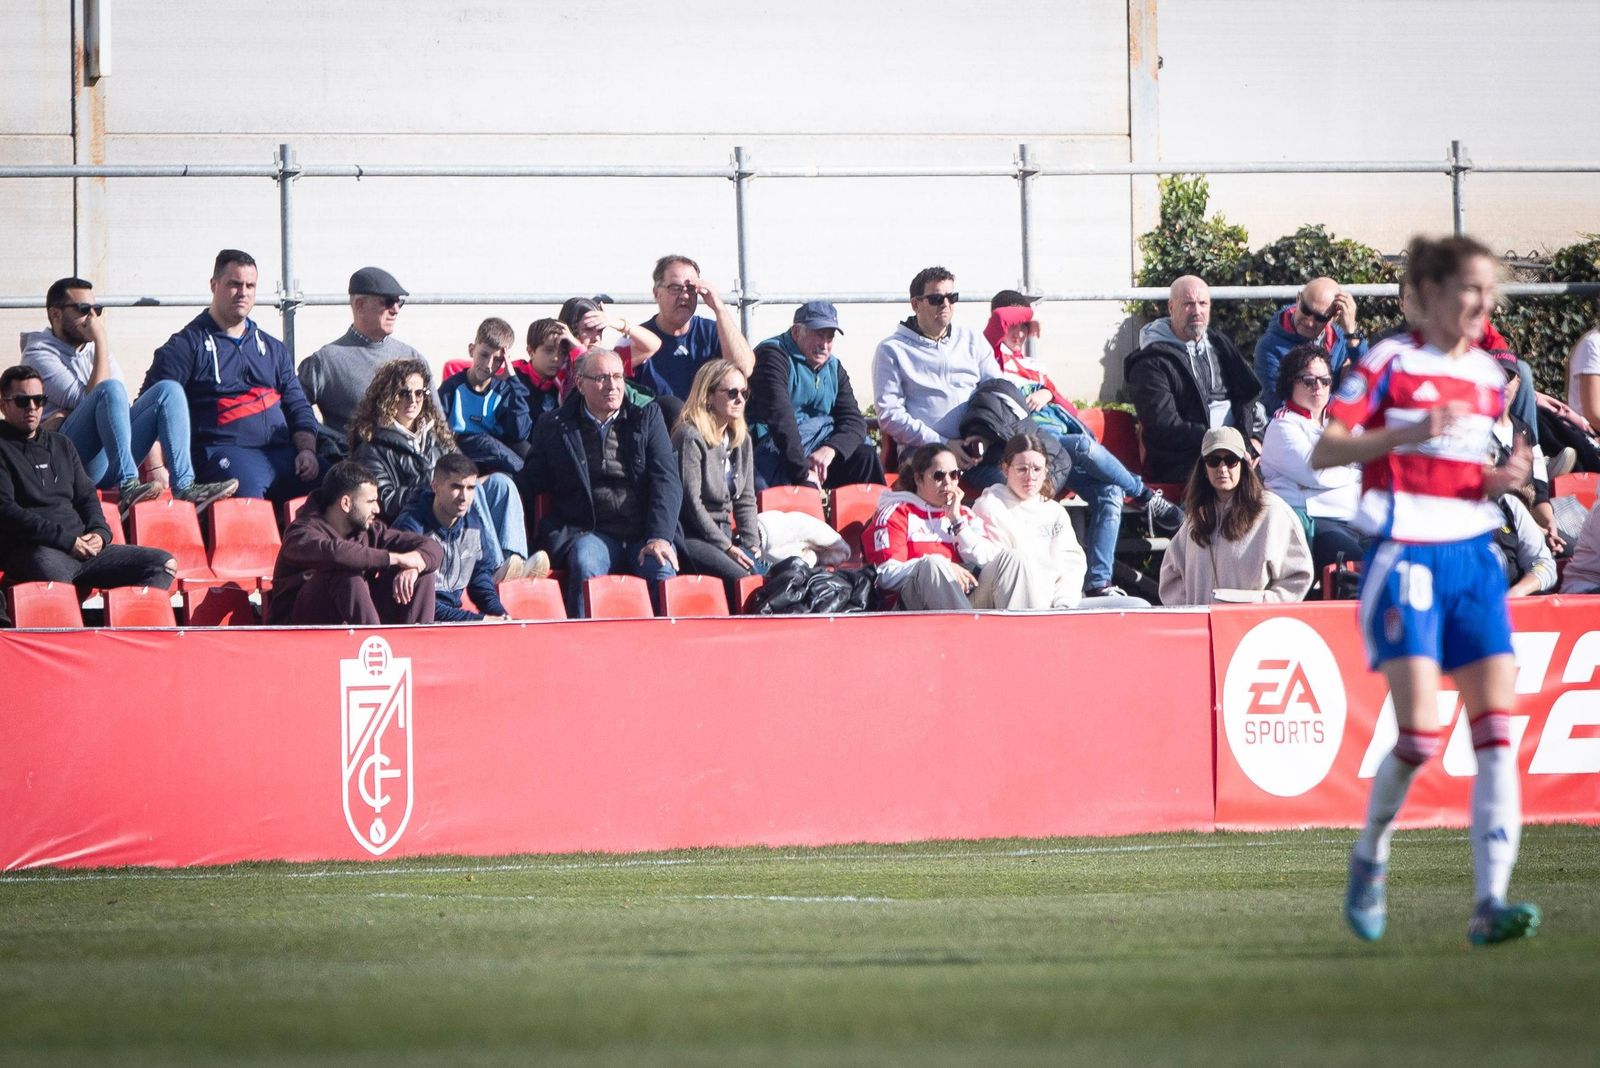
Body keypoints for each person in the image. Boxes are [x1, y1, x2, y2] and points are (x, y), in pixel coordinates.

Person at [1311, 234, 1540, 946]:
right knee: (1418, 734)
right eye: (1471, 288)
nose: (1482, 302)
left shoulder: (1484, 376)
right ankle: (1372, 853)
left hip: (1473, 558)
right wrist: (1406, 429)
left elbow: (1462, 473)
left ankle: (1489, 903)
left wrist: (1501, 481)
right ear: (1433, 292)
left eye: (1488, 291)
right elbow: (1328, 446)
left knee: (1498, 734)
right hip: (1406, 554)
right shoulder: (1388, 361)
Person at [983, 294, 1182, 598]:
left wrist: (1047, 394)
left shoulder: (1034, 366)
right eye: (1016, 326)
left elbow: (1069, 409)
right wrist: (1029, 311)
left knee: (1110, 491)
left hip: (1058, 455)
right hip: (1032, 447)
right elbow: (997, 323)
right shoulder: (990, 357)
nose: (1021, 333)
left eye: (1026, 327)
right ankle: (1144, 496)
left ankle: (1099, 583)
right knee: (1082, 445)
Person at [19, 276, 237, 514]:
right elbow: (91, 399)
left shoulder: (92, 349)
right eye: (83, 309)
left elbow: (118, 403)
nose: (92, 317)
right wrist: (101, 341)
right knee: (108, 390)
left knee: (168, 391)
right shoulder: (38, 352)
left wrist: (85, 405)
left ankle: (184, 485)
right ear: (56, 314)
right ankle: (128, 485)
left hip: (107, 459)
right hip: (70, 463)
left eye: (96, 309)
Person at [143, 249, 322, 502]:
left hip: (282, 453)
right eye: (234, 284)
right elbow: (150, 408)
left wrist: (307, 451)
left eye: (250, 285)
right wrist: (155, 467)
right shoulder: (184, 346)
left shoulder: (273, 349)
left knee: (339, 486)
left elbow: (298, 406)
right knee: (246, 498)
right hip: (221, 453)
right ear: (214, 285)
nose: (244, 292)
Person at [517, 348, 682, 617]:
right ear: (580, 383)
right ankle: (581, 644)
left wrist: (660, 537)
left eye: (618, 377)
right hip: (590, 532)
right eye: (602, 378)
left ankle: (666, 649)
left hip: (644, 532)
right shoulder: (555, 425)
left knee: (662, 569)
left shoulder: (647, 417)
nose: (613, 386)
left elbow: (666, 480)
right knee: (585, 564)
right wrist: (497, 485)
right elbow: (531, 480)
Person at [0, 365, 176, 600]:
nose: (32, 407)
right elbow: (8, 511)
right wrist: (66, 541)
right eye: (22, 401)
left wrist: (99, 533)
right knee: (53, 578)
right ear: (3, 405)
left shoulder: (62, 445)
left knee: (163, 564)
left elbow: (87, 497)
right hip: (36, 550)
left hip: (84, 549)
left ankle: (129, 631)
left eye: (39, 399)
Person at [348, 358, 533, 582]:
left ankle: (514, 562)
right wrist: (435, 486)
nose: (413, 400)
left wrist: (455, 484)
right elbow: (383, 500)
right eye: (404, 393)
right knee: (467, 490)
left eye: (419, 393)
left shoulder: (435, 433)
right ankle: (493, 567)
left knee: (501, 484)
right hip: (418, 520)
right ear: (387, 396)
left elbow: (461, 469)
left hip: (448, 509)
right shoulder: (371, 445)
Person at [972, 434, 1149, 610]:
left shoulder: (1055, 511)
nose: (1030, 477)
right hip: (1015, 606)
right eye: (1022, 469)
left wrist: (1063, 605)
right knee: (1014, 560)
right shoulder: (989, 506)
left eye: (1037, 469)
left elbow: (1072, 564)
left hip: (1060, 604)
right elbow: (1005, 573)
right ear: (1005, 469)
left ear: (1046, 471)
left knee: (1138, 607)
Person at [1126, 275, 1266, 485]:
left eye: (1203, 303)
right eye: (1188, 304)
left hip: (1237, 451)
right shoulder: (1151, 362)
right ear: (1171, 307)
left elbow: (1249, 398)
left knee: (1280, 478)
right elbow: (1164, 427)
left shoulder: (1220, 345)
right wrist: (1222, 445)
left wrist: (1255, 439)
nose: (1197, 311)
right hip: (1184, 460)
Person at [862, 442, 1036, 610]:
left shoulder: (964, 515)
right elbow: (884, 575)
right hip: (909, 608)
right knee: (933, 565)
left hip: (965, 603)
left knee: (1013, 560)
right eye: (938, 476)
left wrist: (958, 523)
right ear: (918, 478)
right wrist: (943, 567)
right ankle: (963, 636)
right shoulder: (896, 513)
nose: (948, 483)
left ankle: (1022, 636)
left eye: (954, 475)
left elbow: (988, 560)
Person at [267, 460, 442, 625]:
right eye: (371, 502)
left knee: (421, 573)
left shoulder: (370, 530)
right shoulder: (301, 533)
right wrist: (394, 558)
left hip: (356, 615)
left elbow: (432, 547)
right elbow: (336, 553)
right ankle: (373, 646)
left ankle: (418, 650)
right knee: (344, 571)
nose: (377, 509)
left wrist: (414, 565)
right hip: (298, 628)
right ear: (346, 503)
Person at [1159, 427, 1312, 605]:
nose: (1222, 468)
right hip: (1202, 629)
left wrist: (1262, 605)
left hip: (1253, 628)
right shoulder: (1196, 516)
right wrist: (1190, 611)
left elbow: (1298, 574)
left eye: (1231, 461)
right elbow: (1170, 575)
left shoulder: (1273, 511)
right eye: (1213, 461)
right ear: (1203, 468)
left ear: (1244, 465)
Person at [872, 267, 1000, 478]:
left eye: (952, 297)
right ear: (915, 304)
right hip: (923, 451)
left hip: (977, 447)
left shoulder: (972, 339)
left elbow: (996, 390)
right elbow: (890, 415)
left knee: (1025, 471)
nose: (946, 305)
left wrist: (982, 438)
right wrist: (944, 444)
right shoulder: (891, 350)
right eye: (936, 299)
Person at [747, 300, 883, 490]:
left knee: (864, 456)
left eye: (830, 337)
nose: (825, 345)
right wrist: (802, 472)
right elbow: (781, 420)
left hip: (818, 448)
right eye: (819, 335)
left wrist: (831, 449)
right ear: (796, 332)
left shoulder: (834, 368)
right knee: (795, 482)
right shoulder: (772, 355)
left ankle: (872, 516)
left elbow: (854, 420)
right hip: (775, 448)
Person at [1259, 343, 1366, 575]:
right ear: (1290, 382)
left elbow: (1373, 459)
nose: (1318, 387)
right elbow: (1317, 473)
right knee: (1361, 564)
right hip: (1313, 525)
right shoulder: (1282, 426)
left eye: (1325, 380)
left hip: (1357, 519)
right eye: (1308, 380)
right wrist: (1355, 466)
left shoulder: (1339, 423)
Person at [297, 267, 425, 447]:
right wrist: (328, 442)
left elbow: (436, 420)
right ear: (360, 305)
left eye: (399, 302)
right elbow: (294, 410)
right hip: (354, 465)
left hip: (409, 464)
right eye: (388, 302)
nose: (395, 310)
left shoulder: (412, 358)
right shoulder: (325, 362)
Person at [672, 359, 767, 582]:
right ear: (708, 396)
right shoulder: (689, 437)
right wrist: (726, 547)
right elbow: (692, 505)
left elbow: (745, 498)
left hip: (726, 536)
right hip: (693, 537)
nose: (740, 399)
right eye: (732, 392)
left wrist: (752, 544)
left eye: (745, 392)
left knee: (785, 573)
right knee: (746, 579)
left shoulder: (740, 439)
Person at [393, 453, 512, 622]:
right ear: (435, 486)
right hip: (413, 624)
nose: (464, 497)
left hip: (453, 622)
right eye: (456, 487)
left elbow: (480, 579)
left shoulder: (473, 525)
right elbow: (416, 603)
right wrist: (479, 620)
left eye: (471, 488)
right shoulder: (411, 525)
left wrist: (500, 614)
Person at [632, 256, 756, 409]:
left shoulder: (712, 331)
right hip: (658, 428)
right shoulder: (639, 338)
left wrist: (719, 308)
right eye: (675, 288)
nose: (684, 296)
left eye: (691, 289)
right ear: (657, 293)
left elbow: (744, 369)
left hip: (706, 427)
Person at [1253, 277, 1368, 415]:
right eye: (1306, 310)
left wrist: (1351, 333)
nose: (1309, 322)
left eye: (1320, 318)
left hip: (1335, 425)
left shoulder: (1340, 341)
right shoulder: (1269, 347)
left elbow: (1368, 381)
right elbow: (1280, 404)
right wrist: (1343, 399)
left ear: (1334, 317)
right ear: (1298, 299)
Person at [438, 317, 533, 473]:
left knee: (528, 456)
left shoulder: (503, 391)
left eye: (497, 359)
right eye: (483, 355)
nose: (488, 365)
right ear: (471, 350)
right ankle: (522, 474)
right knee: (480, 440)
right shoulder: (452, 388)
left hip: (492, 458)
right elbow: (436, 429)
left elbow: (520, 433)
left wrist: (514, 381)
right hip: (458, 452)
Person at [558, 294, 661, 376]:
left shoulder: (608, 363)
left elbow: (653, 345)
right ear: (569, 329)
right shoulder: (553, 361)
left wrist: (617, 323)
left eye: (600, 330)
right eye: (588, 329)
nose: (597, 338)